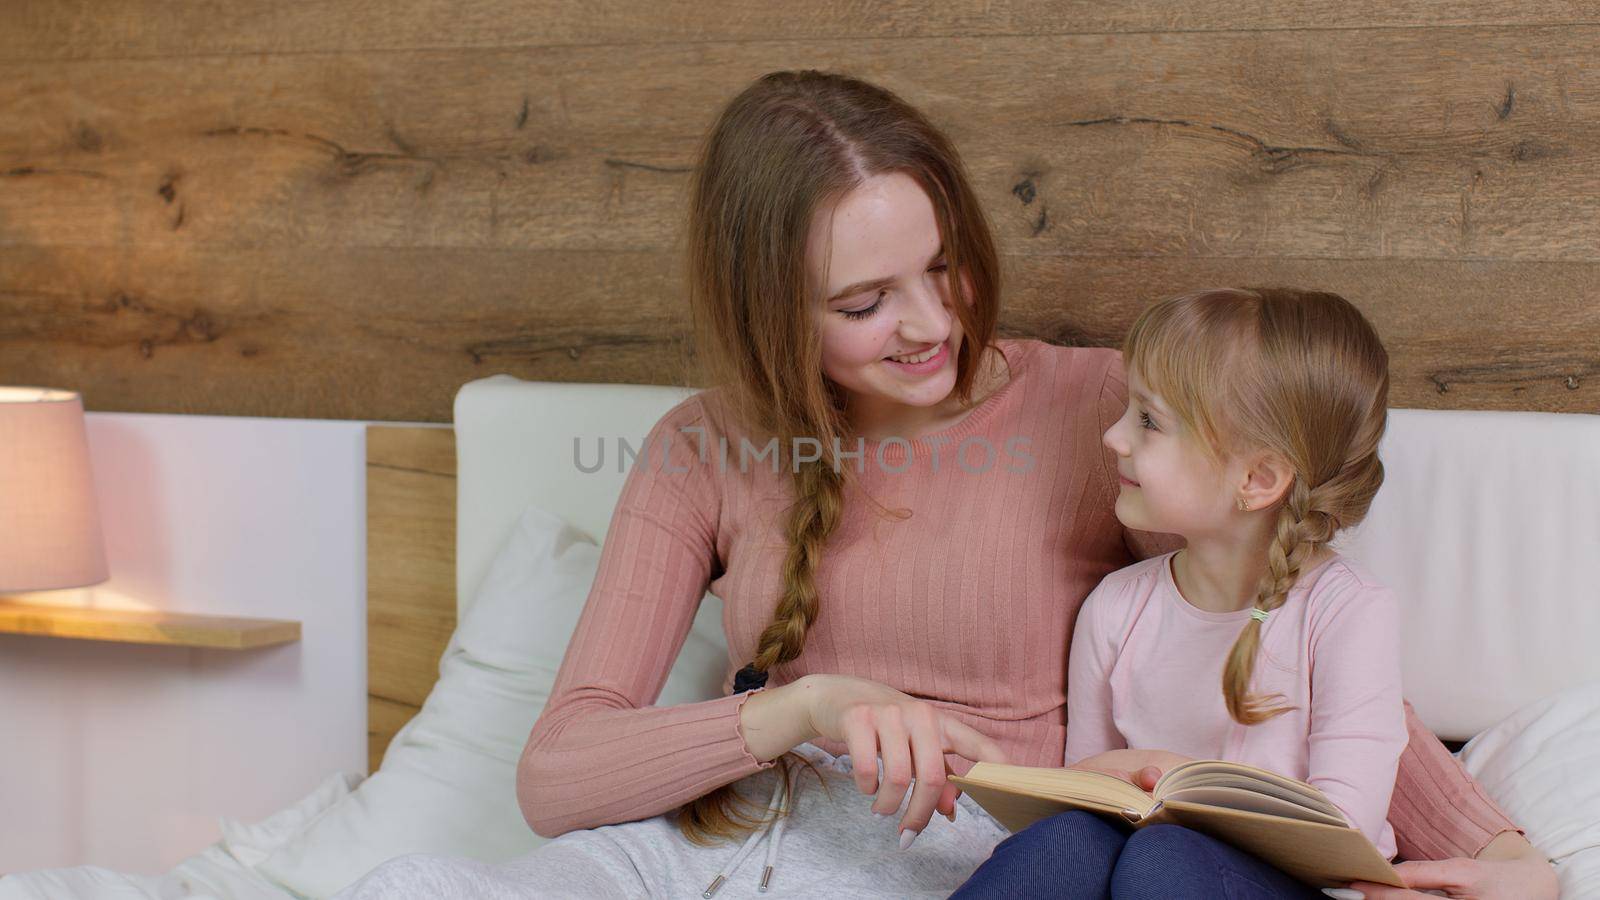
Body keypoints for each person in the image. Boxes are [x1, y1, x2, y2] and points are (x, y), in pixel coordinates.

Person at [333, 70, 1556, 899]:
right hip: (718, 850)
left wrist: (1502, 850)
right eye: (865, 304)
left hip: (969, 856)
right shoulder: (701, 448)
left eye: (945, 270)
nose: (928, 325)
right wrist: (807, 710)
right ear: (771, 311)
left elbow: (1279, 623)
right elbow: (555, 778)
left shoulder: (1102, 416)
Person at [953, 286, 1406, 899]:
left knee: (1162, 855)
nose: (1114, 437)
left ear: (1257, 478)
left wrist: (1178, 779)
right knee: (1069, 843)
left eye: (1147, 419)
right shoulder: (1115, 606)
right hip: (1152, 865)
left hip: (1296, 887)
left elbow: (1344, 833)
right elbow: (1085, 794)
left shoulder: (1348, 612)